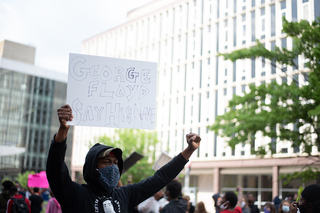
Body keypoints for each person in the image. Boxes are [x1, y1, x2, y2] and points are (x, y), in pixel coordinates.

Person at [46, 104, 201, 213]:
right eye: (106, 162)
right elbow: (55, 169)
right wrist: (62, 132)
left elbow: (160, 178)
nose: (113, 167)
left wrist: (189, 150)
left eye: (115, 163)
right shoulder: (74, 194)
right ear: (93, 167)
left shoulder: (124, 195)